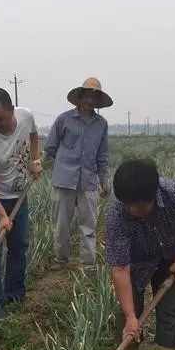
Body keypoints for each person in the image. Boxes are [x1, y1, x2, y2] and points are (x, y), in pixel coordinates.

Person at [104, 159, 175, 350]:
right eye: (126, 203)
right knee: (129, 314)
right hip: (136, 263)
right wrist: (131, 316)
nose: (130, 209)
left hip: (171, 258)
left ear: (153, 195)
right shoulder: (117, 213)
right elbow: (119, 268)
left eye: (136, 205)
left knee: (169, 311)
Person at [0, 87, 42, 320]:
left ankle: (15, 294)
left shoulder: (26, 116)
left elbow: (34, 135)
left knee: (19, 245)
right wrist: (2, 215)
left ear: (12, 111)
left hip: (18, 192)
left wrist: (34, 159)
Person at [44, 77, 111, 273]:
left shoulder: (101, 125)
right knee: (61, 225)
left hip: (88, 182)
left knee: (88, 227)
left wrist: (104, 181)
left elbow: (102, 155)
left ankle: (88, 266)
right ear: (80, 98)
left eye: (94, 97)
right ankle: (61, 259)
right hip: (63, 181)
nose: (91, 100)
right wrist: (64, 164)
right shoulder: (64, 120)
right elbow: (51, 148)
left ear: (98, 101)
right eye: (87, 96)